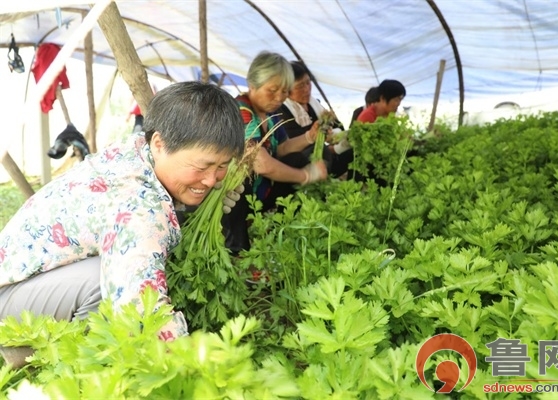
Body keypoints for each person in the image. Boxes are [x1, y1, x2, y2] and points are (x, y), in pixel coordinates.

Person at [0, 82, 246, 368]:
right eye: (202, 167)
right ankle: (40, 356)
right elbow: (139, 309)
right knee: (103, 285)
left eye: (222, 166)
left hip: (29, 281)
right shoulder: (137, 203)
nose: (212, 179)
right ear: (159, 144)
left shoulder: (136, 152)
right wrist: (196, 365)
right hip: (9, 298)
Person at [222, 51, 328, 255]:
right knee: (238, 180)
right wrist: (306, 175)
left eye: (285, 91)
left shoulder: (271, 115)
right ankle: (237, 248)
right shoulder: (241, 111)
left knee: (298, 158)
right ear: (252, 85)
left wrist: (309, 137)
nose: (279, 98)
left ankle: (277, 228)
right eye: (272, 90)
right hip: (233, 197)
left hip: (260, 192)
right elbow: (260, 163)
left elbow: (282, 148)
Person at [278, 61, 352, 178]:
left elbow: (338, 126)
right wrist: (323, 137)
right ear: (287, 90)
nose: (307, 89)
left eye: (308, 83)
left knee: (353, 149)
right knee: (322, 151)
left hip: (325, 156)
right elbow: (292, 139)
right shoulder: (281, 110)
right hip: (301, 164)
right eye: (300, 86)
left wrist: (335, 135)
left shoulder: (315, 103)